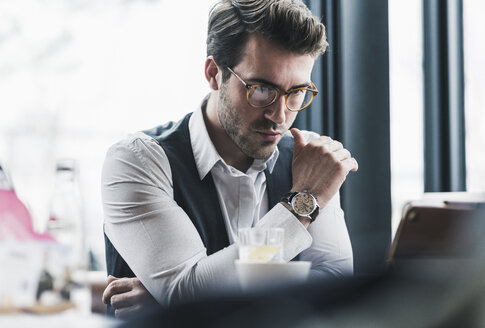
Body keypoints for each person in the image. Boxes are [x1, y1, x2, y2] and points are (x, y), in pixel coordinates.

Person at [101, 0, 358, 318]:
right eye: (262, 90)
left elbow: (335, 287)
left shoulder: (309, 159)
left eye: (297, 93)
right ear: (213, 74)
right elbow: (185, 290)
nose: (280, 115)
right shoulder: (136, 161)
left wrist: (185, 302)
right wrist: (304, 202)